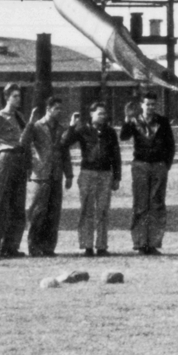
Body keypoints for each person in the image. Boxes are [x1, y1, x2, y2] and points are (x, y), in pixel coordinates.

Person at [65, 91, 121, 255]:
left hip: (105, 174)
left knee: (103, 210)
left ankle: (102, 246)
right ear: (91, 114)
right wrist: (71, 126)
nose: (103, 116)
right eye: (100, 113)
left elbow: (116, 155)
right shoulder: (82, 129)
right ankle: (87, 246)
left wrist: (117, 176)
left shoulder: (110, 132)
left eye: (105, 113)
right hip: (88, 173)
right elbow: (65, 142)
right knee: (87, 210)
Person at [126, 92, 176, 254]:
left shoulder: (162, 122)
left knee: (157, 204)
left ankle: (153, 243)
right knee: (140, 203)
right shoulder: (134, 121)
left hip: (158, 166)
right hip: (140, 165)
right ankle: (140, 243)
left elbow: (170, 145)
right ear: (142, 105)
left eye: (153, 104)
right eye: (147, 104)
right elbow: (124, 136)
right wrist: (127, 119)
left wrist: (165, 164)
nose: (151, 107)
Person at [0, 84, 30, 256]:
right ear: (7, 97)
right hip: (7, 158)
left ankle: (12, 245)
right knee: (4, 202)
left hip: (20, 159)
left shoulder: (20, 117)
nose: (18, 99)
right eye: (14, 96)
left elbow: (25, 140)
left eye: (19, 96)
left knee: (18, 205)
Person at [24, 93, 66, 256]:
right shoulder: (37, 126)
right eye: (56, 108)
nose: (59, 111)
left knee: (53, 213)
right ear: (48, 109)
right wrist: (29, 122)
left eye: (61, 109)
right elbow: (24, 142)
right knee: (37, 213)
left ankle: (49, 247)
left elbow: (65, 152)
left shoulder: (61, 128)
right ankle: (34, 247)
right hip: (41, 174)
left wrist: (68, 174)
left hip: (56, 174)